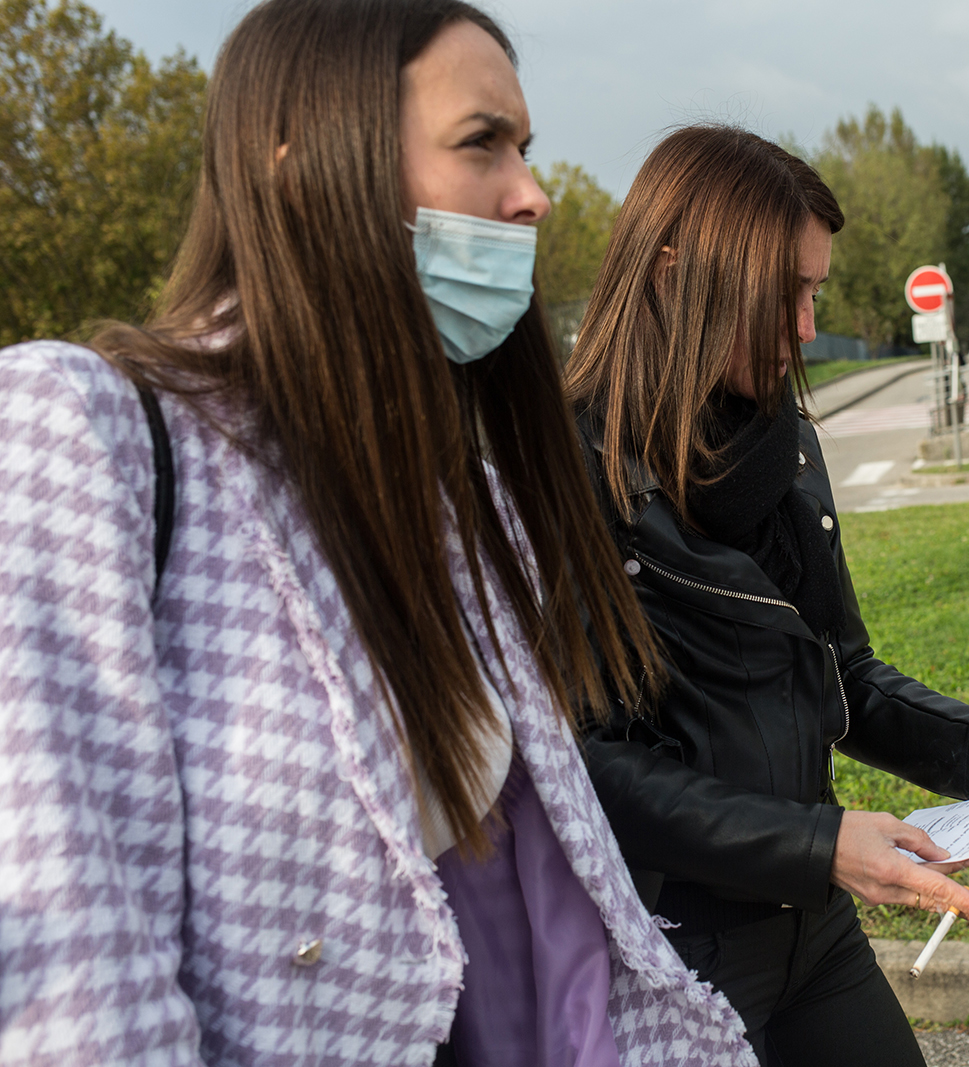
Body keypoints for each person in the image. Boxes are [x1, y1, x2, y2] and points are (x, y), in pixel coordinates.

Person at [0, 3, 753, 1065]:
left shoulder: (478, 503)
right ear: (301, 169)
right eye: (480, 141)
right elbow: (75, 988)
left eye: (525, 148)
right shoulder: (83, 436)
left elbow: (545, 928)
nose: (533, 193)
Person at [565, 125, 969, 1067]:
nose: (806, 327)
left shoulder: (786, 446)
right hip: (670, 945)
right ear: (676, 275)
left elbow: (839, 671)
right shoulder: (566, 471)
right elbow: (585, 765)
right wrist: (816, 843)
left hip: (816, 928)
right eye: (785, 293)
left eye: (815, 293)